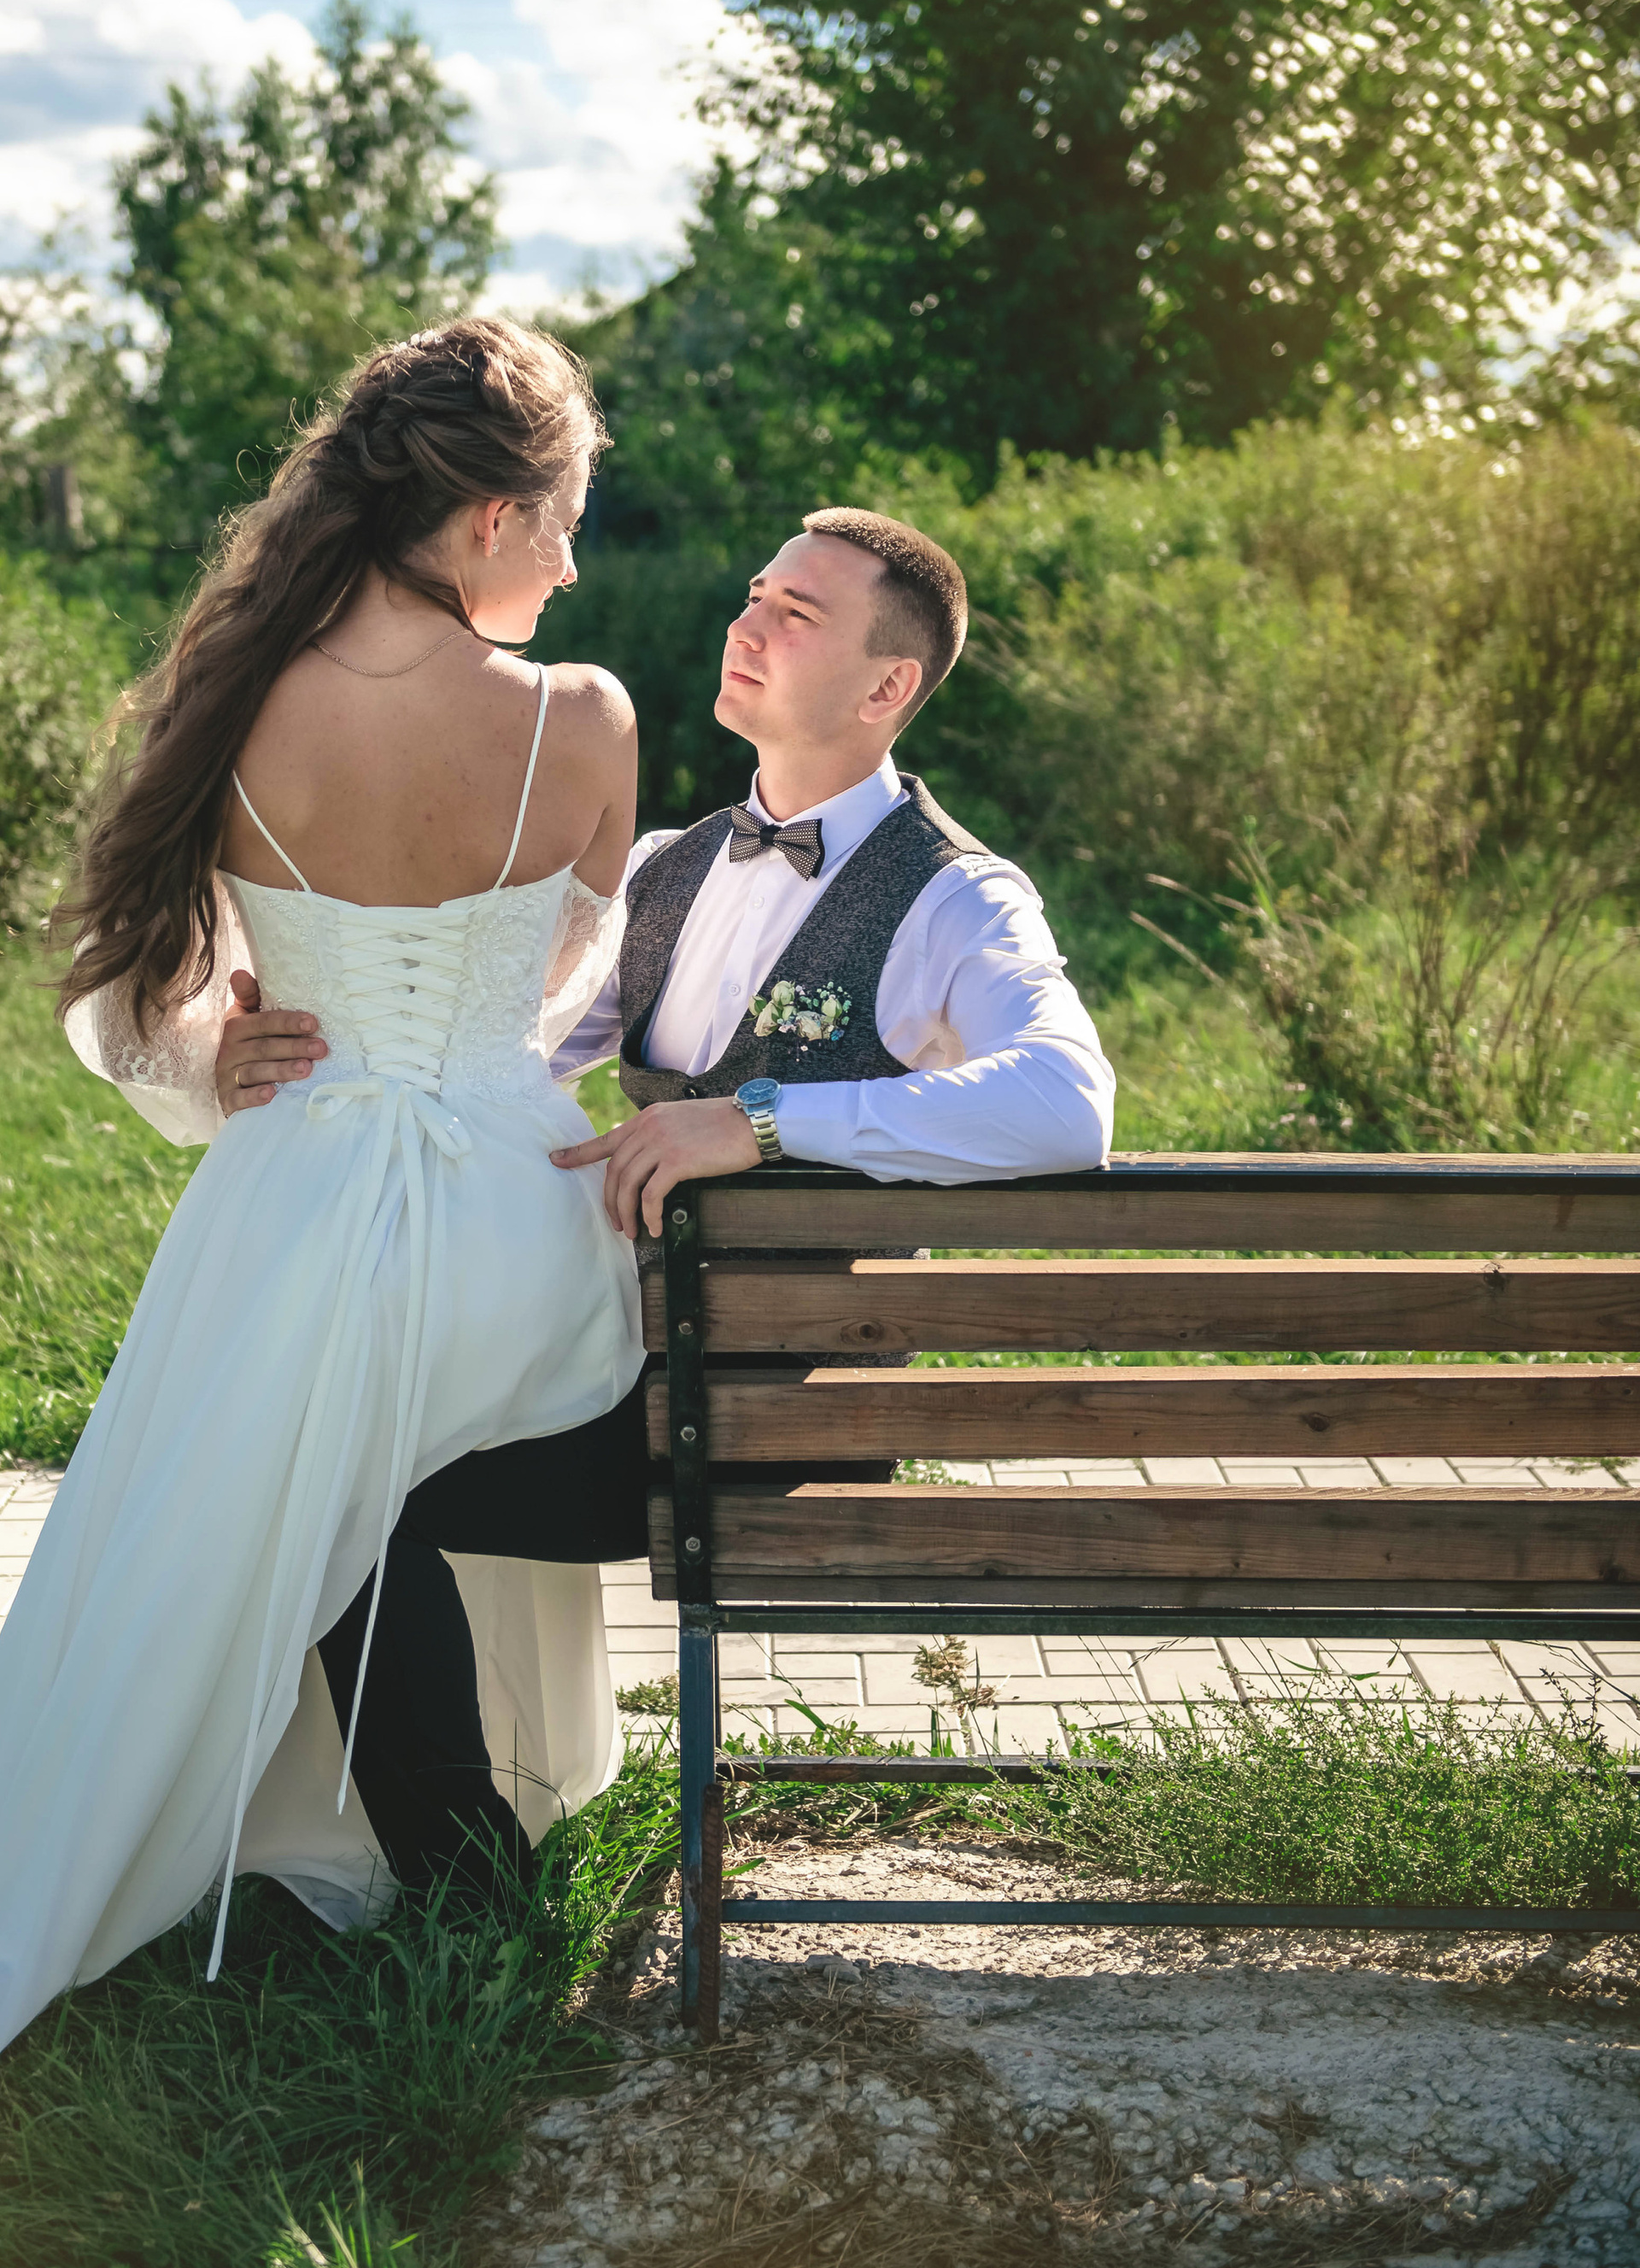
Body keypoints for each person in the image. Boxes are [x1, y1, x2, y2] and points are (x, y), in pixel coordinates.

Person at [0, 319, 643, 2237]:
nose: (574, 572)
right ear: (495, 513)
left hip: (299, 1195)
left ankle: (319, 1820)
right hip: (518, 1215)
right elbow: (564, 1013)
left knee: (263, 1465)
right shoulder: (581, 718)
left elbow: (128, 994)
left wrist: (221, 1053)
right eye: (566, 525)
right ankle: (434, 1828)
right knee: (436, 1434)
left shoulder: (234, 701)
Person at [214, 504, 1115, 1897]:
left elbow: (1068, 1103)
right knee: (326, 1449)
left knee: (338, 1487)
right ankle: (460, 1880)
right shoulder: (666, 872)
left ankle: (470, 1905)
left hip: (771, 1418)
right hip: (623, 1377)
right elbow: (491, 1061)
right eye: (757, 592)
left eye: (798, 615)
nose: (749, 621)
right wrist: (278, 1036)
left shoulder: (958, 900)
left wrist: (759, 1119)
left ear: (889, 689)